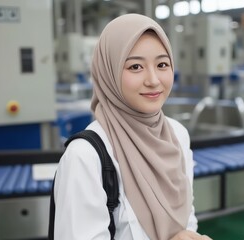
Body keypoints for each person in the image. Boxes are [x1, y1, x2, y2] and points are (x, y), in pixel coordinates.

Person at [53, 13, 212, 240]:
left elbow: (187, 218)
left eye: (162, 64)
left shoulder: (177, 135)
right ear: (109, 72)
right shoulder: (86, 156)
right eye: (135, 66)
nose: (153, 79)